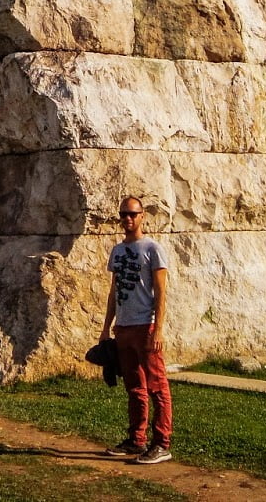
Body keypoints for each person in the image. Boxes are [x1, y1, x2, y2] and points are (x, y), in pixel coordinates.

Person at [98, 195, 171, 465]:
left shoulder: (153, 249)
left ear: (142, 216)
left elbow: (161, 292)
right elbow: (114, 291)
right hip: (124, 327)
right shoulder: (117, 251)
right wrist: (107, 327)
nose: (127, 219)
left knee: (157, 386)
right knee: (134, 387)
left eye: (132, 214)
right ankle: (136, 439)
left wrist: (158, 330)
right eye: (123, 214)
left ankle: (161, 443)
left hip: (145, 325)